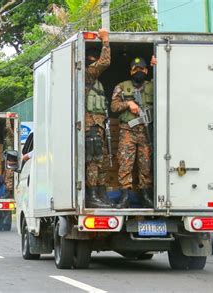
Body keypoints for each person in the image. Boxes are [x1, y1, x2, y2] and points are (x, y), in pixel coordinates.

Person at [110, 56, 156, 208]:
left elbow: (167, 88)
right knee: (125, 164)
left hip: (146, 131)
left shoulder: (153, 85)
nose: (138, 71)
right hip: (128, 130)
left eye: (141, 69)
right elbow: (114, 107)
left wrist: (158, 66)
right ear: (131, 71)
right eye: (135, 69)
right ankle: (125, 197)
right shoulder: (122, 87)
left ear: (146, 70)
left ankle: (145, 196)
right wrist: (128, 103)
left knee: (146, 165)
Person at [84, 28, 113, 208]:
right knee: (93, 161)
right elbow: (105, 62)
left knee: (101, 160)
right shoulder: (87, 75)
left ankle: (101, 195)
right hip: (91, 126)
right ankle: (92, 196)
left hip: (99, 125)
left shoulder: (97, 83)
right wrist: (105, 40)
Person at [3, 118, 15, 193]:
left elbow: (8, 128)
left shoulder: (11, 137)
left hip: (11, 159)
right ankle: (8, 191)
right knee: (7, 176)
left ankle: (9, 191)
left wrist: (7, 118)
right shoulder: (7, 138)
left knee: (9, 176)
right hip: (7, 159)